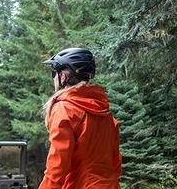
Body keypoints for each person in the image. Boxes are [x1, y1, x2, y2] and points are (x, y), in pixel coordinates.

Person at [39, 47, 122, 189]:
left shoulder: (64, 109)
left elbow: (57, 166)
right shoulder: (106, 113)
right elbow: (115, 163)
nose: (53, 78)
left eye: (54, 72)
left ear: (63, 77)